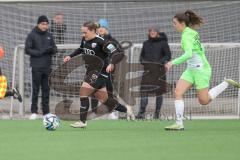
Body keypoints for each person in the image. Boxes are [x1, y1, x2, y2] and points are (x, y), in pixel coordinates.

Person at [164, 10, 240, 130]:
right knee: (178, 92)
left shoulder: (186, 35)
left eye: (175, 23)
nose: (174, 26)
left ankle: (225, 83)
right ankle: (179, 124)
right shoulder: (191, 32)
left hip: (201, 70)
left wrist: (172, 63)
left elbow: (189, 54)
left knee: (204, 101)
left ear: (182, 23)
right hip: (191, 70)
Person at [63, 21, 134, 128]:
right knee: (105, 100)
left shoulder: (102, 42)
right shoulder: (85, 39)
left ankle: (82, 122)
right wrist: (70, 56)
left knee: (83, 91)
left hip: (100, 72)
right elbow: (81, 49)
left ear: (92, 31)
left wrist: (112, 63)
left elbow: (117, 53)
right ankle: (127, 109)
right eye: (82, 32)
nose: (83, 35)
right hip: (90, 71)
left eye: (85, 32)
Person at [25, 15, 57, 120]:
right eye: (43, 24)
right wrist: (40, 52)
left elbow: (55, 49)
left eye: (46, 24)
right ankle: (34, 111)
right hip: (36, 66)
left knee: (46, 90)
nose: (45, 26)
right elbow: (27, 50)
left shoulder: (49, 35)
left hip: (47, 67)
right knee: (35, 89)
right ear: (38, 24)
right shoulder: (32, 35)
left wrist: (51, 50)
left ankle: (46, 112)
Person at [136, 25, 171, 120]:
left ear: (157, 33)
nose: (152, 32)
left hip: (159, 72)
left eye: (154, 31)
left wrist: (159, 63)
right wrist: (143, 61)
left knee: (159, 93)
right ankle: (141, 113)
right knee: (144, 91)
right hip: (147, 71)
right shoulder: (145, 43)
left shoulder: (163, 43)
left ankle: (157, 113)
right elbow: (141, 56)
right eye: (150, 31)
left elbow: (168, 56)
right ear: (148, 33)